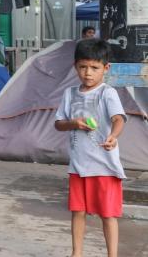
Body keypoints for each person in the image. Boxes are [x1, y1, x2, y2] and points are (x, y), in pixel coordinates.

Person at [54, 39, 126, 257]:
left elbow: (119, 119)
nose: (88, 73)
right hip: (78, 166)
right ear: (75, 66)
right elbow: (58, 124)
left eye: (94, 68)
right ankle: (77, 253)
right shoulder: (70, 94)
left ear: (106, 68)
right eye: (83, 67)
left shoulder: (107, 93)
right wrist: (74, 123)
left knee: (108, 215)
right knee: (77, 211)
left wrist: (113, 137)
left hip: (104, 166)